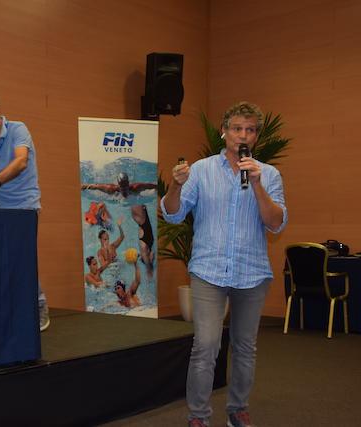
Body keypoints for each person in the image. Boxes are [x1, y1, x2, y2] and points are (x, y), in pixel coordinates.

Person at [161, 101, 287, 427]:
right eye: (236, 129)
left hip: (252, 272)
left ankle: (237, 410)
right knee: (205, 346)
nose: (242, 135)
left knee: (245, 347)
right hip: (209, 270)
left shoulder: (269, 174)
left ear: (256, 136)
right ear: (224, 132)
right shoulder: (201, 171)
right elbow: (173, 214)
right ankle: (198, 416)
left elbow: (275, 223)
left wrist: (256, 184)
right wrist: (175, 184)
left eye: (250, 130)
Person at [0, 90, 50, 331]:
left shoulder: (18, 130)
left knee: (21, 258)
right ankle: (4, 312)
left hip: (23, 205)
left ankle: (39, 306)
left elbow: (21, 161)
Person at [81, 172, 156, 198]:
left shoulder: (136, 187)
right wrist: (82, 187)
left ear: (128, 183)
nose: (124, 189)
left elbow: (153, 186)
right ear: (118, 185)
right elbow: (95, 186)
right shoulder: (110, 189)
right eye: (122, 186)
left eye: (125, 186)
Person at [130, 204, 155, 279]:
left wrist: (149, 268)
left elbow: (146, 255)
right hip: (142, 221)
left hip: (142, 222)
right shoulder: (145, 245)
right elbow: (146, 256)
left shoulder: (144, 246)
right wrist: (149, 268)